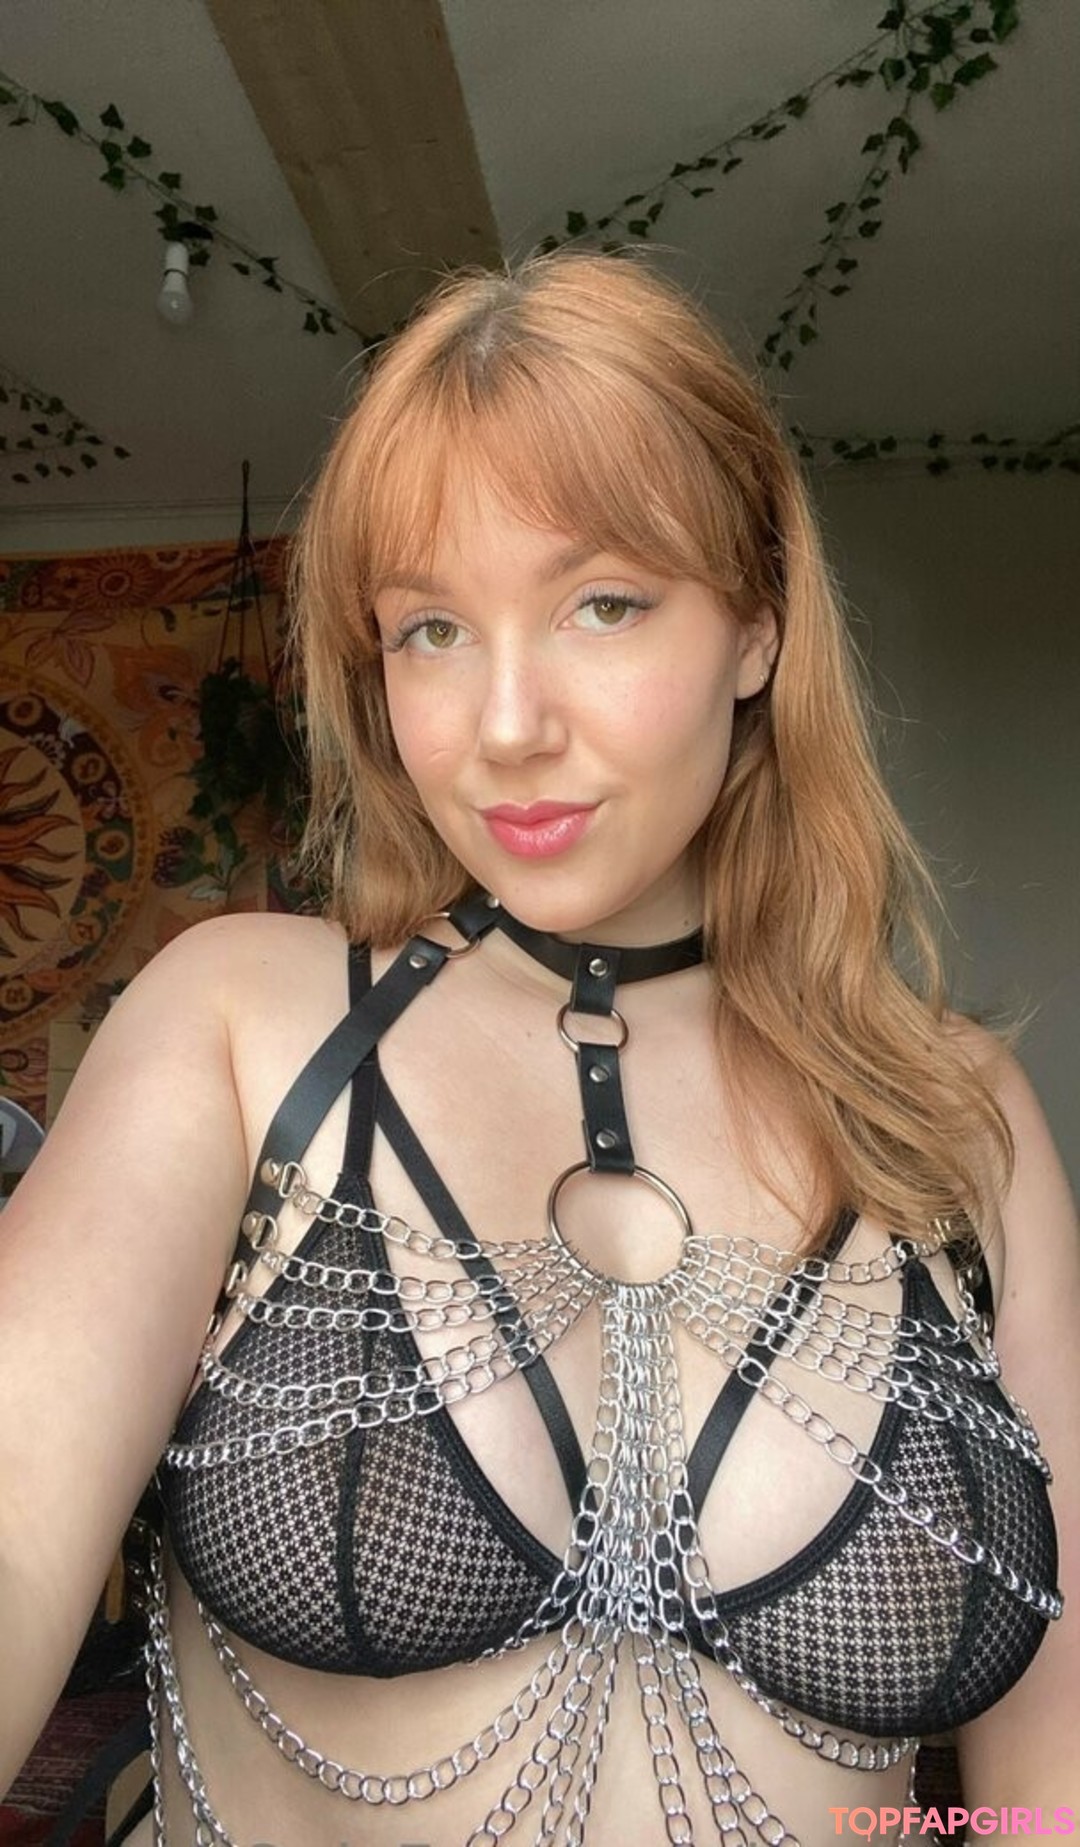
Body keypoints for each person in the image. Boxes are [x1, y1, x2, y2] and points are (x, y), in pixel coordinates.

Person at [1, 252, 1076, 1847]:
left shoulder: (952, 1116)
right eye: (432, 628)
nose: (506, 725)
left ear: (759, 627)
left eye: (603, 604)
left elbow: (1047, 1795)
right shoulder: (242, 1024)